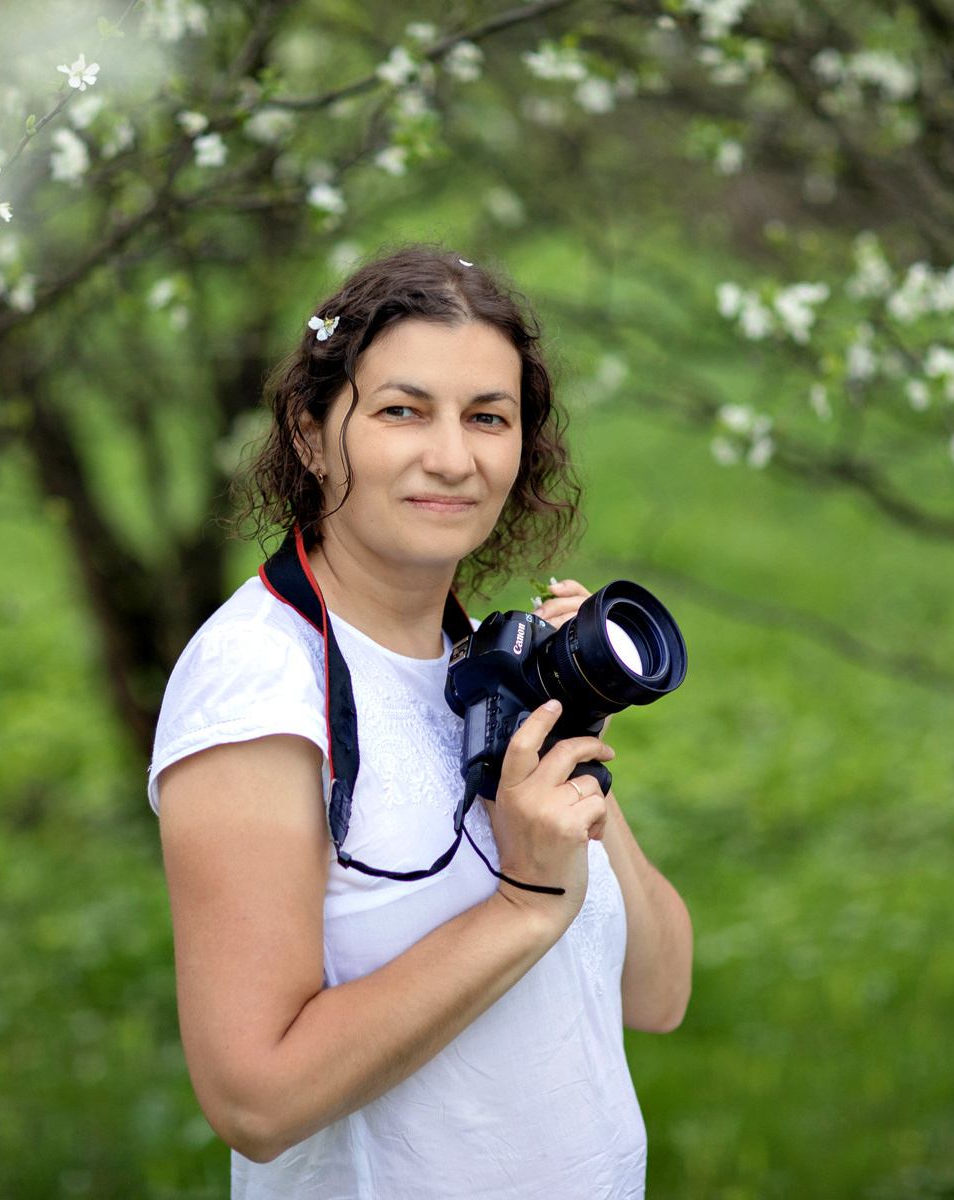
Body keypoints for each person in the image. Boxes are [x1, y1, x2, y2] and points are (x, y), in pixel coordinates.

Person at [147, 246, 692, 1199]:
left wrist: (571, 739)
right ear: (312, 434)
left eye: (487, 417)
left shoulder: (480, 662)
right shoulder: (258, 687)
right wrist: (522, 903)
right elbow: (254, 1102)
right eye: (402, 411)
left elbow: (657, 992)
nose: (452, 457)